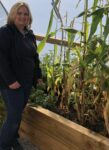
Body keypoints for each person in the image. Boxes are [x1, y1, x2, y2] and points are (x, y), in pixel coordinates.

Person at [0, 2, 42, 150]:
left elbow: (34, 57)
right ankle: (4, 145)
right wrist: (11, 81)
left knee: (17, 114)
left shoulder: (30, 34)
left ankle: (12, 140)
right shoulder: (5, 32)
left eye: (25, 14)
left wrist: (38, 75)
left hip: (26, 82)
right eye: (19, 13)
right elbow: (1, 58)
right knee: (13, 117)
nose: (23, 16)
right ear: (12, 14)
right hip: (10, 84)